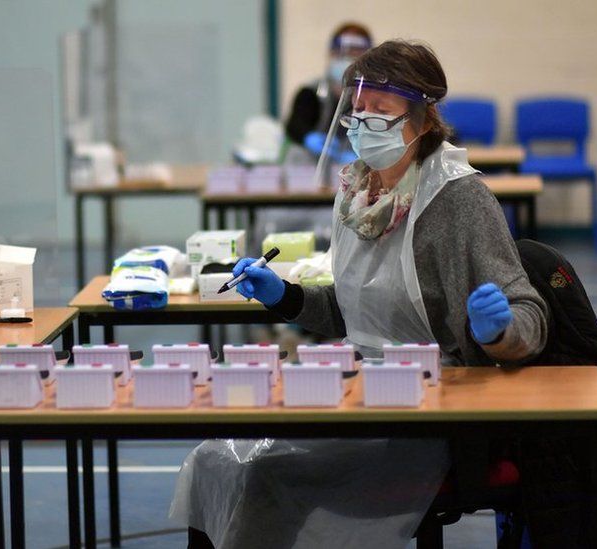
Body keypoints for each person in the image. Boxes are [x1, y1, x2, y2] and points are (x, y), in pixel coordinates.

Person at [171, 40, 550, 548]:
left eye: (381, 111)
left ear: (421, 120)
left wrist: (499, 330)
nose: (362, 120)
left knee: (264, 476)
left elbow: (531, 318)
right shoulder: (358, 193)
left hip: (432, 415)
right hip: (361, 395)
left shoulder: (458, 200)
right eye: (358, 109)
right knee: (213, 460)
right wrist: (283, 294)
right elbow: (353, 314)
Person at [283, 22, 373, 165]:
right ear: (331, 54)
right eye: (342, 52)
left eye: (354, 53)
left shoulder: (375, 97)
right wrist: (308, 137)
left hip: (357, 173)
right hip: (308, 173)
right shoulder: (312, 92)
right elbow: (294, 125)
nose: (348, 59)